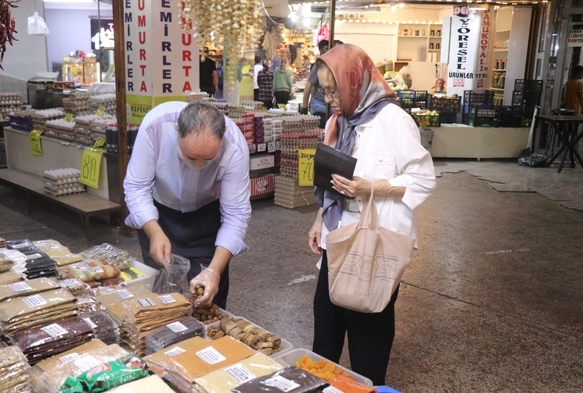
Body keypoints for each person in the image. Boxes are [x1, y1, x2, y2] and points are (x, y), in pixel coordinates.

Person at [307, 44, 436, 385]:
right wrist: (320, 218)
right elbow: (331, 178)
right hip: (337, 240)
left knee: (367, 337)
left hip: (374, 245)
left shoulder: (394, 121)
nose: (330, 98)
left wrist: (371, 188)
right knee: (326, 330)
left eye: (335, 90)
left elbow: (423, 179)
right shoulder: (340, 120)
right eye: (325, 90)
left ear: (355, 81)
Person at [124, 101, 252, 309]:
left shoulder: (235, 145)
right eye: (191, 156)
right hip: (158, 214)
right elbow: (136, 187)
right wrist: (154, 232)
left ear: (224, 134)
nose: (199, 165)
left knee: (207, 300)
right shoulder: (155, 127)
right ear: (176, 131)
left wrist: (214, 271)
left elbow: (236, 214)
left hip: (206, 216)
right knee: (159, 295)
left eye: (208, 159)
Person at [300, 39, 344, 128]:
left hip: (334, 109)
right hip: (320, 108)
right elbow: (309, 85)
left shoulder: (342, 67)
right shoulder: (320, 66)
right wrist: (304, 108)